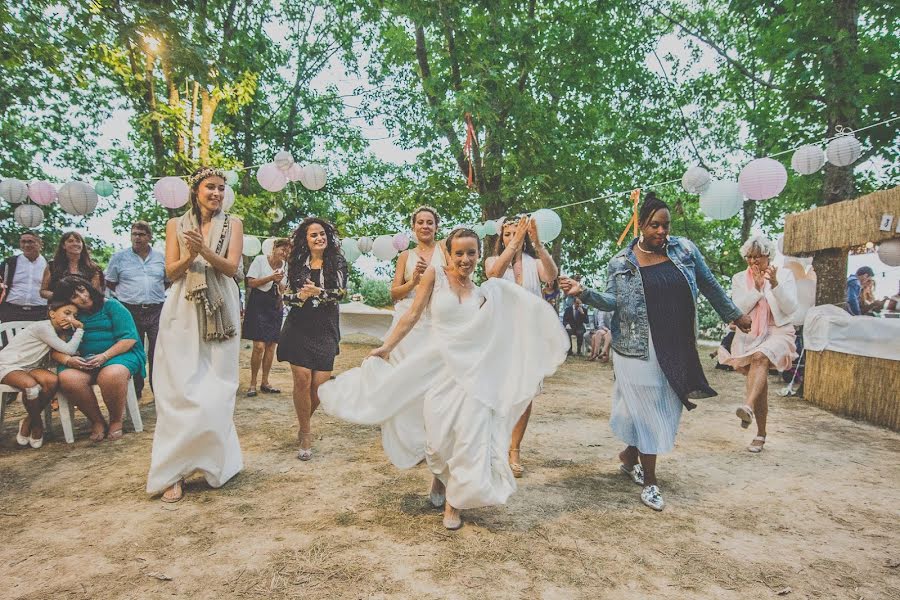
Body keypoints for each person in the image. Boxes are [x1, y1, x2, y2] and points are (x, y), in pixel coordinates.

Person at [319, 228, 568, 529]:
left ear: (478, 254)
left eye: (472, 253)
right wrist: (387, 347)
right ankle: (441, 479)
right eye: (459, 252)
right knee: (437, 441)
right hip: (438, 368)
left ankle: (454, 502)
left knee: (469, 437)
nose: (465, 259)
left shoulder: (482, 291)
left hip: (474, 376)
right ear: (448, 253)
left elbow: (501, 284)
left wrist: (517, 244)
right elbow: (411, 314)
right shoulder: (435, 276)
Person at [560, 192, 751, 511]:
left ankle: (628, 455)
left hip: (675, 343)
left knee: (661, 405)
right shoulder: (621, 262)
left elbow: (709, 285)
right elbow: (613, 302)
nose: (662, 232)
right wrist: (585, 293)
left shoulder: (685, 250)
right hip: (635, 346)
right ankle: (650, 481)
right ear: (641, 226)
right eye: (655, 226)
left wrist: (734, 315)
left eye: (666, 225)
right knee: (647, 410)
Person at [146, 167, 244, 503]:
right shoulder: (175, 225)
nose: (216, 193)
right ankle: (173, 472)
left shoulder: (234, 225)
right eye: (210, 188)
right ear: (196, 190)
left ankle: (215, 463)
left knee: (218, 386)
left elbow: (233, 270)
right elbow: (170, 272)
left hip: (222, 308)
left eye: (220, 188)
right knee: (179, 387)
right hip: (183, 306)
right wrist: (190, 254)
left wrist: (205, 251)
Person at [484, 215, 559, 479]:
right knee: (497, 393)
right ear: (500, 237)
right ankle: (491, 448)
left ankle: (514, 449)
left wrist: (538, 243)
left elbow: (551, 277)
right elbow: (492, 275)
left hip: (529, 336)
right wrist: (513, 245)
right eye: (507, 233)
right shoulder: (493, 261)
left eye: (518, 233)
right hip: (500, 336)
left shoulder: (533, 263)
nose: (513, 236)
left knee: (525, 394)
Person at [718, 235, 798, 452]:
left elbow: (791, 309)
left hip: (778, 331)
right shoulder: (738, 278)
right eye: (749, 257)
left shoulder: (785, 274)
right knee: (758, 382)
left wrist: (775, 285)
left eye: (758, 257)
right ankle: (760, 433)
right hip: (750, 333)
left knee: (760, 356)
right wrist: (756, 288)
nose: (753, 262)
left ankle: (747, 406)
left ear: (768, 257)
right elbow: (736, 310)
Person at [277, 217, 347, 461]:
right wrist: (301, 296)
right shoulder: (295, 263)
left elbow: (339, 293)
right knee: (302, 380)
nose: (319, 238)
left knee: (320, 386)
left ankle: (303, 422)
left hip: (325, 328)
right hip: (299, 327)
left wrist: (319, 292)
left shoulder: (337, 261)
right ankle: (305, 433)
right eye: (313, 235)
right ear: (306, 241)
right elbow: (285, 297)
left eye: (322, 233)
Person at [49, 276, 146, 442]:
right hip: (83, 360)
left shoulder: (111, 306)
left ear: (87, 287)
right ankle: (97, 421)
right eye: (74, 296)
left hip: (118, 354)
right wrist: (69, 361)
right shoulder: (66, 315)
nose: (83, 296)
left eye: (82, 290)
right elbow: (54, 348)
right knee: (68, 378)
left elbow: (129, 338)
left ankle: (115, 420)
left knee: (111, 375)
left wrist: (104, 356)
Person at [0, 299, 83, 448]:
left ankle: (28, 421)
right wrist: (80, 329)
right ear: (52, 314)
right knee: (31, 387)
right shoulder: (43, 328)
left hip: (31, 366)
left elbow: (65, 350)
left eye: (74, 316)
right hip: (9, 364)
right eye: (66, 313)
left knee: (52, 381)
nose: (71, 318)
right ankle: (37, 425)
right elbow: (69, 350)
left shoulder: (59, 331)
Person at [105, 221, 167, 397]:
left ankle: (159, 390)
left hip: (156, 310)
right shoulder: (119, 258)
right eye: (134, 234)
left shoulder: (161, 258)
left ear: (149, 237)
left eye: (141, 234)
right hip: (130, 311)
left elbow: (167, 281)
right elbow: (110, 282)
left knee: (158, 351)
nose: (137, 237)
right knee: (135, 350)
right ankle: (137, 389)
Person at [387, 206, 448, 362]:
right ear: (413, 227)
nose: (425, 226)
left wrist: (431, 273)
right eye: (420, 222)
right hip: (409, 315)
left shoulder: (444, 247)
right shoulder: (405, 256)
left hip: (439, 313)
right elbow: (394, 293)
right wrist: (413, 282)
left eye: (430, 222)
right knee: (406, 363)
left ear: (436, 227)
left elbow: (457, 277)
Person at [243, 238, 290, 397]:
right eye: (283, 250)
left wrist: (281, 284)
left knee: (271, 346)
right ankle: (252, 383)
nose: (285, 253)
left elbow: (284, 289)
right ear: (274, 248)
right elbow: (251, 283)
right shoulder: (260, 260)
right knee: (259, 347)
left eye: (288, 251)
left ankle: (265, 382)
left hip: (275, 306)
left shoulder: (286, 266)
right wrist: (271, 278)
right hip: (258, 305)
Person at [0, 232, 48, 322]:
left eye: (30, 241)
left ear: (40, 243)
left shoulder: (49, 264)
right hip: (11, 311)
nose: (26, 245)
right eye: (23, 242)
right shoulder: (9, 263)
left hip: (40, 313)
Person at [40, 231, 104, 299]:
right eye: (70, 241)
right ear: (63, 245)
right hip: (59, 307)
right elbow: (43, 291)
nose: (75, 244)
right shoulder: (53, 265)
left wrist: (79, 298)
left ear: (82, 245)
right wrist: (60, 297)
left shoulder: (93, 268)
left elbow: (96, 293)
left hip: (85, 307)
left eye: (78, 241)